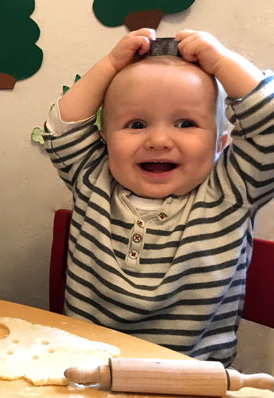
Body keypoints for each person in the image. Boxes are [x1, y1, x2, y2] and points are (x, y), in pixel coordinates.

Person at [42, 28, 274, 365]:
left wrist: (222, 61)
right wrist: (109, 65)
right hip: (87, 377)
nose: (159, 140)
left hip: (190, 385)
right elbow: (62, 128)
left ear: (220, 144)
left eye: (185, 123)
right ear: (104, 136)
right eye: (136, 124)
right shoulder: (92, 179)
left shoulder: (231, 191)